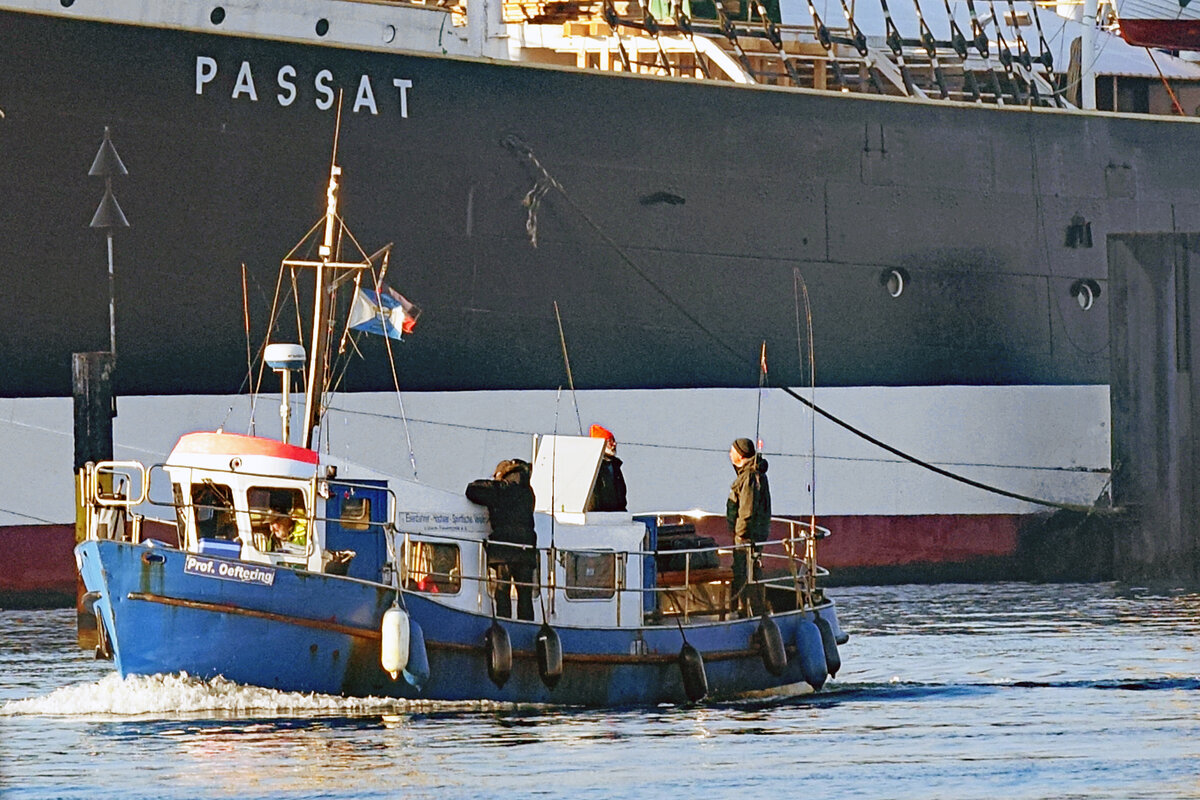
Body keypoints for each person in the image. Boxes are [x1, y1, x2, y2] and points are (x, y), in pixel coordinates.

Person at [466, 459, 537, 621]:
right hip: (526, 550)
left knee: (502, 590)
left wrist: (492, 483)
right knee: (525, 594)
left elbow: (471, 490)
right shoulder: (528, 492)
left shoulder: (502, 489)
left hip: (504, 549)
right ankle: (526, 626)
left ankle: (505, 624)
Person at [727, 437, 771, 617]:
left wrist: (740, 533)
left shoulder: (750, 477)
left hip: (746, 538)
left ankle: (753, 611)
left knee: (746, 573)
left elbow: (747, 510)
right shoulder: (748, 475)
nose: (729, 454)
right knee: (747, 573)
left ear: (740, 454)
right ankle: (748, 609)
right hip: (747, 536)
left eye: (732, 451)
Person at [586, 424, 628, 512]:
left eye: (614, 440)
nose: (614, 444)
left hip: (617, 516)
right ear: (601, 444)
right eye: (610, 441)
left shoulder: (616, 466)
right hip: (599, 517)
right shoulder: (593, 467)